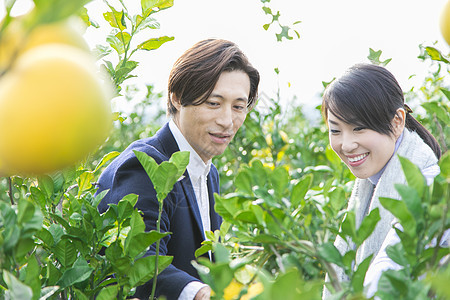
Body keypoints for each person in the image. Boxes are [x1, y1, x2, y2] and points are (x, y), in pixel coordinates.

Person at [95, 39, 260, 300]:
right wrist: (201, 293)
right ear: (178, 98)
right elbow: (136, 257)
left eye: (238, 107)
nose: (228, 121)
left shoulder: (208, 171)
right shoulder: (144, 165)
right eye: (214, 103)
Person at [320, 63, 444, 298]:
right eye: (335, 130)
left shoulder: (428, 191)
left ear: (397, 121)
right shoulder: (371, 183)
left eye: (359, 127)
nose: (346, 145)